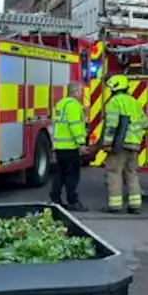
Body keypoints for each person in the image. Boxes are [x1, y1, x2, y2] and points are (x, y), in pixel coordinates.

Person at [101, 74, 148, 214]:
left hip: (119, 144)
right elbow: (144, 122)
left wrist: (108, 143)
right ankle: (135, 205)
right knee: (131, 173)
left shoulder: (114, 102)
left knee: (113, 173)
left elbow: (112, 125)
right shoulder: (134, 102)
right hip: (134, 144)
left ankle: (115, 205)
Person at [49, 81, 89, 211]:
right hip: (70, 147)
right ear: (76, 91)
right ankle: (73, 201)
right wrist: (81, 144)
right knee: (72, 176)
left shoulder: (61, 104)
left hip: (60, 147)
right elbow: (75, 125)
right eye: (80, 91)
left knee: (59, 175)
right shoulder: (74, 105)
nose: (81, 93)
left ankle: (55, 199)